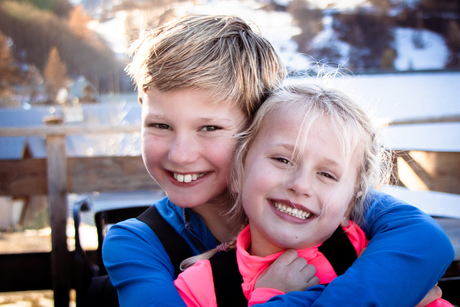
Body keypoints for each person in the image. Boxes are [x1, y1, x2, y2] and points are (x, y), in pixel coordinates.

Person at [102, 14, 454, 306]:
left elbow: (425, 240)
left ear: (257, 128)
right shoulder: (138, 243)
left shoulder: (320, 198)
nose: (180, 154)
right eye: (160, 125)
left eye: (209, 128)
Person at [173, 82, 453, 307]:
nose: (301, 185)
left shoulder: (372, 256)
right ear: (238, 174)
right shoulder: (201, 287)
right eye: (282, 159)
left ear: (350, 205)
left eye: (327, 175)